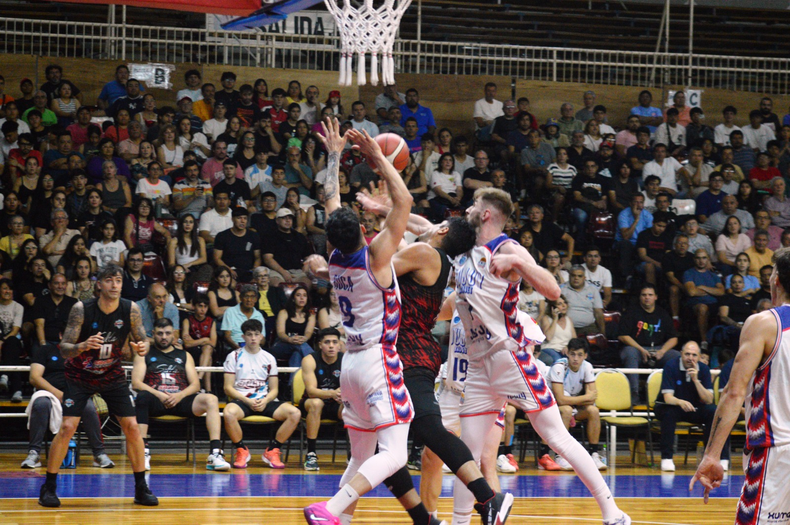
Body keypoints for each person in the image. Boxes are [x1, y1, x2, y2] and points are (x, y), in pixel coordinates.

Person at [303, 119, 454, 525]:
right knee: (394, 454)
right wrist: (378, 160)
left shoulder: (333, 259)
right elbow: (403, 203)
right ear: (365, 233)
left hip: (348, 365)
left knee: (361, 456)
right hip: (376, 361)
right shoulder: (377, 258)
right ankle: (330, 509)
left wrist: (334, 154)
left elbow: (329, 199)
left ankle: (337, 519)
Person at [37, 264, 158, 508]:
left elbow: (142, 338)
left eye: (118, 280)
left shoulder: (130, 309)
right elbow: (64, 348)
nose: (115, 285)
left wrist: (143, 347)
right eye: (109, 280)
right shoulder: (82, 309)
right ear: (99, 284)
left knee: (132, 426)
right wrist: (82, 346)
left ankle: (140, 487)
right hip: (79, 375)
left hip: (111, 373)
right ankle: (48, 487)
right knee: (68, 426)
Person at [691, 247, 790, 518]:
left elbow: (734, 393)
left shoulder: (764, 324)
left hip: (776, 451)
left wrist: (712, 455)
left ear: (776, 280)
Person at [132, 317, 230, 471]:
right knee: (142, 397)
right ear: (153, 334)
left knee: (211, 399)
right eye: (160, 333)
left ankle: (215, 454)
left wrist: (179, 396)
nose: (164, 337)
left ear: (174, 335)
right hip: (156, 401)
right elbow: (136, 383)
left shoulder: (184, 355)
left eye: (167, 333)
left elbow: (196, 384)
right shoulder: (143, 354)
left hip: (180, 399)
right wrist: (160, 395)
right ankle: (142, 452)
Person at [24, 335, 113, 470]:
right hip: (48, 392)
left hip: (76, 393)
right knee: (41, 404)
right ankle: (34, 453)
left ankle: (99, 454)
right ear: (60, 335)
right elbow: (34, 377)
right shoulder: (46, 350)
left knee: (88, 406)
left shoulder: (86, 353)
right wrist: (57, 393)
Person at [223, 318, 301, 470]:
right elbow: (228, 388)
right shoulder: (233, 356)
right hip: (242, 401)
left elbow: (274, 389)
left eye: (256, 334)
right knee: (228, 413)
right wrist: (247, 401)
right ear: (243, 337)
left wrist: (265, 401)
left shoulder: (269, 358)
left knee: (295, 413)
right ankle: (241, 450)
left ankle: (273, 450)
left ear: (261, 336)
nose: (253, 338)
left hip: (264, 400)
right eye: (249, 334)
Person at [655, 341, 725, 472]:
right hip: (670, 405)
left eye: (694, 355)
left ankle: (710, 457)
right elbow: (668, 397)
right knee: (669, 413)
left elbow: (709, 399)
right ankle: (667, 458)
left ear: (699, 357)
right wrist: (680, 402)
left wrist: (696, 380)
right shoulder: (671, 366)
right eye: (687, 354)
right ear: (681, 354)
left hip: (693, 407)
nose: (690, 358)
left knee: (713, 411)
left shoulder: (703, 369)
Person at [549, 338, 606, 470]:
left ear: (585, 356)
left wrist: (582, 399)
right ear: (567, 353)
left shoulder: (587, 366)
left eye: (580, 355)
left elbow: (592, 399)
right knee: (566, 410)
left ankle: (594, 454)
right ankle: (560, 455)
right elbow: (560, 399)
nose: (575, 358)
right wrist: (584, 397)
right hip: (552, 408)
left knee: (593, 411)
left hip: (573, 405)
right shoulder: (559, 367)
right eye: (573, 354)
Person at [617, 284, 680, 402]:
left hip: (658, 349)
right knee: (630, 353)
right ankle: (633, 396)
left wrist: (662, 351)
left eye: (650, 295)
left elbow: (673, 338)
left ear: (656, 297)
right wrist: (641, 349)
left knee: (677, 356)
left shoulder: (663, 313)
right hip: (637, 348)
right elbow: (622, 336)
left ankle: (673, 395)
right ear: (640, 297)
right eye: (644, 295)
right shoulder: (631, 311)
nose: (647, 297)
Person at [299, 327, 344, 471]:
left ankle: (355, 455)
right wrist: (333, 393)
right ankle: (311, 454)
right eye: (327, 342)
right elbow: (311, 391)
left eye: (334, 342)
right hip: (312, 403)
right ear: (320, 345)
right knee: (316, 403)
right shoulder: (309, 360)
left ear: (339, 345)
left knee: (354, 407)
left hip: (337, 403)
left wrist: (345, 396)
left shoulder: (347, 359)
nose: (331, 345)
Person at [684, 249, 725, 349]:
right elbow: (691, 292)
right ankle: (704, 342)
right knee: (703, 308)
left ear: (708, 259)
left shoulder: (713, 275)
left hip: (714, 305)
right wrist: (712, 291)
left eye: (704, 258)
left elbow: (721, 292)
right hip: (695, 304)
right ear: (694, 259)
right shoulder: (689, 273)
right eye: (698, 258)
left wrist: (702, 287)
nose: (701, 261)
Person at [262, 208, 312, 288]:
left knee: (306, 284)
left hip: (297, 271)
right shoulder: (270, 236)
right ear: (277, 221)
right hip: (276, 271)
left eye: (290, 218)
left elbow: (308, 257)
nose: (287, 220)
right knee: (277, 285)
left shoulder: (299, 237)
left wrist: (305, 268)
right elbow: (268, 259)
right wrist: (284, 273)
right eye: (284, 218)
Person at [270, 283, 316, 370]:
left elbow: (308, 332)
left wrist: (304, 338)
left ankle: (293, 383)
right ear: (293, 299)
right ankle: (315, 361)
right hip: (282, 345)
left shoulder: (310, 315)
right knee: (300, 346)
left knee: (297, 354)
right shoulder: (284, 312)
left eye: (304, 296)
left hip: (300, 344)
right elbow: (280, 333)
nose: (302, 298)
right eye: (298, 295)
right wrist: (289, 339)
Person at [182, 293, 217, 393]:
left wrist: (194, 341)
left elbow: (213, 343)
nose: (203, 309)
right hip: (191, 351)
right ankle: (208, 390)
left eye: (205, 307)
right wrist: (204, 340)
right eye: (200, 306)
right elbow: (187, 344)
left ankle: (198, 379)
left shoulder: (211, 321)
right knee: (208, 358)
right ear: (194, 306)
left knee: (208, 349)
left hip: (205, 350)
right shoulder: (187, 320)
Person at [561, 266, 605, 335]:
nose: (576, 278)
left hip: (588, 327)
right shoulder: (561, 289)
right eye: (573, 275)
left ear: (584, 278)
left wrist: (602, 333)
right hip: (565, 327)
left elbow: (598, 312)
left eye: (579, 276)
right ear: (569, 276)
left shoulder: (593, 289)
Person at [0, 279, 25, 403]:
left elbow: (15, 329)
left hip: (13, 340)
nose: (7, 291)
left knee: (12, 343)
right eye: (4, 288)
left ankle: (4, 375)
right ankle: (17, 390)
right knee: (11, 352)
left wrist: (2, 341)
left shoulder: (18, 307)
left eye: (9, 289)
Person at [221, 284, 265, 351]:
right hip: (235, 347)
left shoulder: (258, 315)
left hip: (254, 348)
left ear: (256, 299)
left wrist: (254, 348)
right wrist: (239, 349)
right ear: (240, 298)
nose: (249, 300)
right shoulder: (230, 312)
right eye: (246, 296)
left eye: (252, 297)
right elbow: (227, 336)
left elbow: (262, 339)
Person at [635, 211, 673, 285]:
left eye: (664, 227)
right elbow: (642, 256)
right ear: (653, 223)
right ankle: (652, 291)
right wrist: (657, 263)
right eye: (659, 226)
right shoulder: (643, 235)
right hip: (644, 264)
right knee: (649, 266)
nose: (661, 229)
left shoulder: (667, 237)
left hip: (662, 264)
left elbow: (668, 255)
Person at [538, 295, 576, 367]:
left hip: (566, 350)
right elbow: (548, 337)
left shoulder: (569, 320)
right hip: (550, 348)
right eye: (560, 304)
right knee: (559, 362)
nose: (564, 305)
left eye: (565, 303)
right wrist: (555, 319)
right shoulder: (546, 319)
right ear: (553, 307)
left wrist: (567, 346)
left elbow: (574, 339)